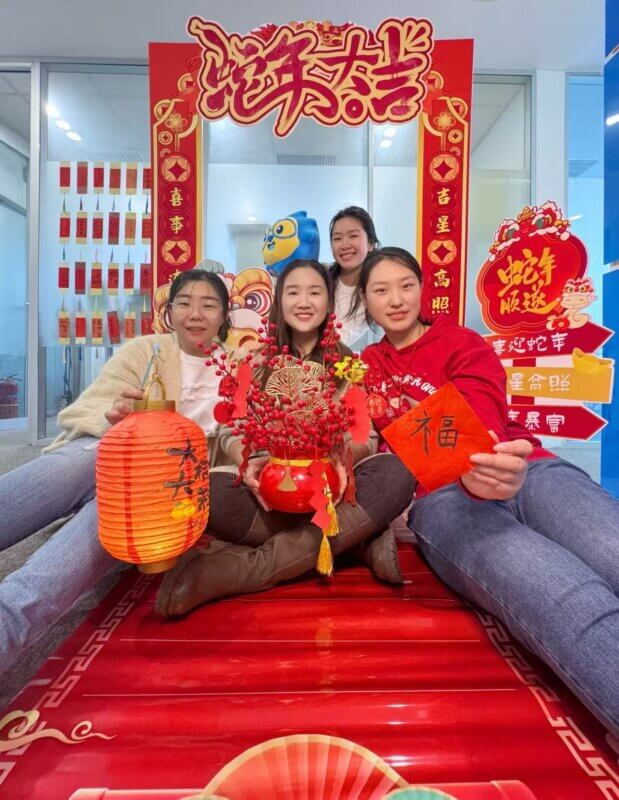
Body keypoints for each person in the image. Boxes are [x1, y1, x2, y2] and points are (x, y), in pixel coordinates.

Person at [357, 246, 619, 737]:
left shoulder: (461, 341)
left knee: (612, 550)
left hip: (525, 465)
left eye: (405, 285)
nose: (396, 299)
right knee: (563, 592)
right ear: (365, 301)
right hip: (442, 498)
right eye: (380, 289)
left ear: (422, 288)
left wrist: (487, 456)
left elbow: (482, 405)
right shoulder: (364, 366)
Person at [0, 268, 233, 674]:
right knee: (70, 466)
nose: (195, 313)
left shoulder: (236, 367)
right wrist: (116, 417)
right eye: (184, 303)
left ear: (224, 316)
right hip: (104, 449)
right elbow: (89, 408)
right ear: (169, 311)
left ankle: (8, 623)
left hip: (161, 485)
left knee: (55, 570)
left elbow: (238, 439)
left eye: (209, 304)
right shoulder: (144, 351)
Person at [155, 259, 415, 617]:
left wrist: (341, 457)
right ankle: (355, 542)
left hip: (331, 495)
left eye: (315, 291)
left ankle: (239, 569)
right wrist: (251, 462)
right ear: (279, 301)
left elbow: (364, 434)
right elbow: (232, 428)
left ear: (329, 303)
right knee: (204, 490)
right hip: (270, 495)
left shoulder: (348, 364)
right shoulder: (256, 360)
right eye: (293, 292)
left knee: (395, 472)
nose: (304, 301)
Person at [329, 206, 380, 351]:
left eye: (353, 236)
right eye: (337, 238)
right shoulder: (321, 282)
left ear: (370, 243)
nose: (345, 245)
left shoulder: (381, 289)